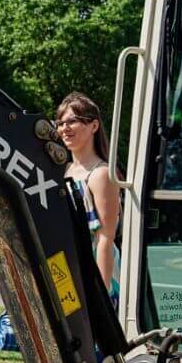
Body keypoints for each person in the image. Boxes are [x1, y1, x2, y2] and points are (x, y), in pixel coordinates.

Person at [54, 92, 120, 303]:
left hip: (95, 273)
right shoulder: (64, 171)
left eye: (72, 121)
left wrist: (101, 295)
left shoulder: (101, 174)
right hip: (70, 268)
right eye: (60, 123)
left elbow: (105, 239)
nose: (64, 128)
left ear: (93, 126)